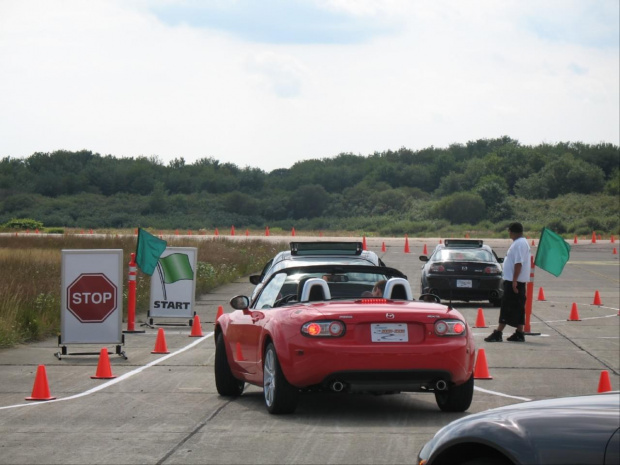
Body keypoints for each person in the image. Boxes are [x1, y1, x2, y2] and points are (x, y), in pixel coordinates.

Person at [485, 222, 531, 342]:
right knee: (518, 307)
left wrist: (514, 281)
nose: (509, 233)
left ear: (513, 231)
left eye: (509, 231)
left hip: (513, 282)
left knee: (507, 307)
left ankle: (498, 333)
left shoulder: (519, 244)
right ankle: (519, 333)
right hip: (515, 281)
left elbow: (518, 263)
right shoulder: (520, 243)